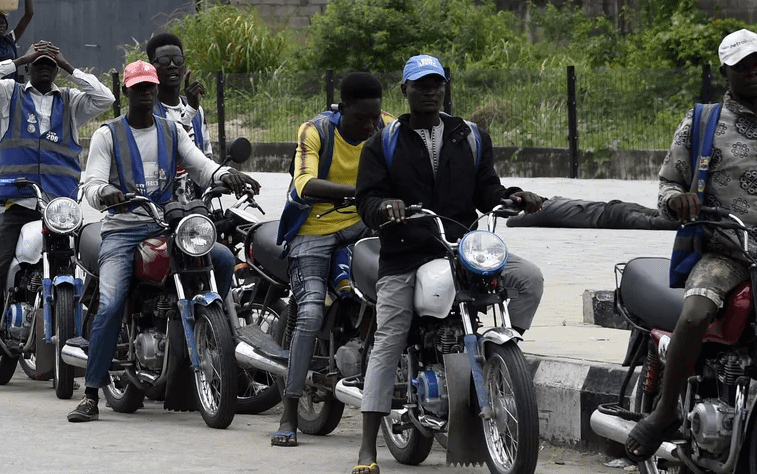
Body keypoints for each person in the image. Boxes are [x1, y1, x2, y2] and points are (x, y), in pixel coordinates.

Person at [353, 55, 544, 474]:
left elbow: (486, 191)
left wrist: (512, 196)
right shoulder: (383, 142)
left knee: (528, 279)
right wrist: (385, 206)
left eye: (436, 83)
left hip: (462, 248)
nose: (430, 91)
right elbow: (365, 201)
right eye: (420, 85)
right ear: (404, 90)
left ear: (446, 86)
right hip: (405, 255)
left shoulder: (470, 135)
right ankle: (367, 447)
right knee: (389, 338)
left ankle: (499, 359)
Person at [66, 61, 258, 423]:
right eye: (138, 88)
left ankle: (225, 346)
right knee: (110, 304)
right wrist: (105, 192)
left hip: (168, 226)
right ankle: (91, 393)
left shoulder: (172, 130)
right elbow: (89, 184)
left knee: (220, 260)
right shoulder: (108, 135)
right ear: (126, 92)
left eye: (150, 87)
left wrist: (226, 174)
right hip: (122, 230)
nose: (146, 93)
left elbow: (201, 165)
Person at [625, 28, 757, 461]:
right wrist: (678, 202)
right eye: (743, 66)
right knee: (695, 313)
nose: (755, 71)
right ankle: (665, 410)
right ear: (725, 71)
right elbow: (668, 184)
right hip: (727, 251)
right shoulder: (703, 121)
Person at [0, 41, 114, 393]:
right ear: (30, 67)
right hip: (18, 206)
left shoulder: (72, 102)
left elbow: (106, 99)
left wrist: (70, 65)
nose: (44, 66)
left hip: (61, 208)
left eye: (50, 63)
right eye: (39, 62)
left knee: (88, 273)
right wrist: (19, 59)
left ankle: (87, 356)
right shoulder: (6, 95)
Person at [270, 73, 395, 447]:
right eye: (362, 119)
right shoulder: (315, 131)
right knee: (308, 314)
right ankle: (289, 410)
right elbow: (304, 184)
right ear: (343, 110)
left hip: (364, 225)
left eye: (375, 118)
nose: (371, 127)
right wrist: (362, 193)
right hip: (315, 230)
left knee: (393, 292)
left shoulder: (388, 127)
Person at [145, 32, 211, 157]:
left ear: (184, 67)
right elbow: (169, 150)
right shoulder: (147, 112)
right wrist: (190, 111)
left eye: (178, 60)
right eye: (164, 60)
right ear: (151, 67)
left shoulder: (197, 111)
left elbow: (207, 155)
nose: (172, 65)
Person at [507, 197, 678, 230]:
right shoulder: (556, 201)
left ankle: (689, 221)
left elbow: (512, 221)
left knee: (654, 222)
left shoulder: (544, 211)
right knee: (657, 214)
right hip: (613, 207)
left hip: (609, 216)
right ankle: (689, 217)